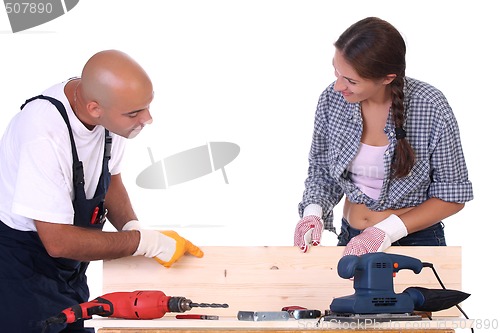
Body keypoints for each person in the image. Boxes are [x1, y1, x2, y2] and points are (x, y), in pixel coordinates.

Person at [0, 50, 204, 333]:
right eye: (134, 113)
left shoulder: (108, 114)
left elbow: (110, 180)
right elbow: (57, 242)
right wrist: (143, 242)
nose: (147, 118)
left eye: (146, 106)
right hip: (22, 268)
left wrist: (132, 226)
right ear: (95, 108)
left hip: (70, 268)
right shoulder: (42, 133)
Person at [294, 17, 473, 256]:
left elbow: (452, 195)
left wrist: (386, 231)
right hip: (351, 239)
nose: (338, 86)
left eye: (351, 80)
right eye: (336, 72)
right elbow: (322, 171)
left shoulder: (430, 106)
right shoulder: (332, 100)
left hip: (413, 243)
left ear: (387, 78)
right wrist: (313, 212)